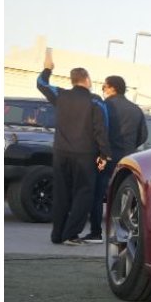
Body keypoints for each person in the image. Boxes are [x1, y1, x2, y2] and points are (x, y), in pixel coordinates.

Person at [36, 48, 112, 245]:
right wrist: (104, 155)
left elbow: (41, 84)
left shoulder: (60, 96)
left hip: (61, 152)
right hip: (85, 155)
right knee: (84, 194)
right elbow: (101, 129)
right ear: (86, 79)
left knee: (62, 193)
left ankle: (57, 234)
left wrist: (47, 68)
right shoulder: (96, 101)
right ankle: (71, 234)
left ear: (72, 80)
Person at [83, 75, 147, 241]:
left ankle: (96, 232)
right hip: (128, 160)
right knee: (125, 197)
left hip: (105, 157)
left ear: (112, 88)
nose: (102, 90)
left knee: (98, 195)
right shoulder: (136, 110)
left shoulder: (103, 106)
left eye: (104, 87)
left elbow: (95, 131)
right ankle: (123, 234)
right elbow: (143, 135)